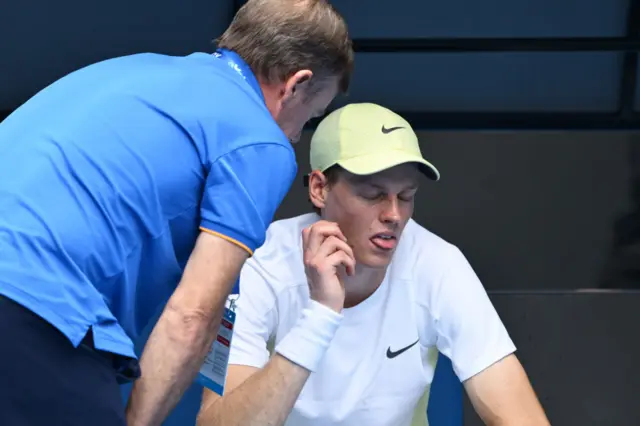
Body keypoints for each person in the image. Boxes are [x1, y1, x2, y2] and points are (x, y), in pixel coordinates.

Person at [0, 1, 353, 425]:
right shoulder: (260, 139)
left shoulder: (136, 71)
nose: (295, 136)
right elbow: (194, 314)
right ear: (296, 85)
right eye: (311, 117)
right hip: (32, 309)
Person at [196, 103, 551, 426]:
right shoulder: (258, 265)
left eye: (406, 196)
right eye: (373, 194)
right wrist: (319, 317)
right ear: (319, 188)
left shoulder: (439, 264)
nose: (394, 215)